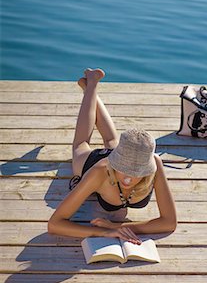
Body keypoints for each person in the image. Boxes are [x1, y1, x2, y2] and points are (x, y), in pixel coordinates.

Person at [48, 68, 177, 244]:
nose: (129, 178)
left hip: (122, 153)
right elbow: (55, 224)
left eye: (137, 172)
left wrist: (116, 227)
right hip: (96, 163)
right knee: (81, 144)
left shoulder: (154, 163)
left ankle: (90, 88)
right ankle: (91, 86)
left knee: (111, 140)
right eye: (124, 170)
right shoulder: (98, 171)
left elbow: (169, 222)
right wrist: (102, 232)